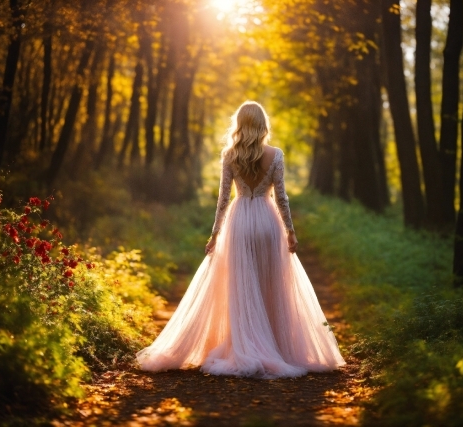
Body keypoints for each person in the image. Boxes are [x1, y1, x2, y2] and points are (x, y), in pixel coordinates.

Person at [136, 101, 345, 378]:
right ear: (262, 125)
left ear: (240, 124)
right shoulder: (276, 155)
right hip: (268, 223)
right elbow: (281, 198)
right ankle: (274, 346)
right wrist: (290, 231)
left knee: (241, 286)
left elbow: (223, 200)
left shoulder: (229, 155)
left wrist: (214, 235)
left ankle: (245, 343)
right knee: (271, 284)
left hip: (240, 223)